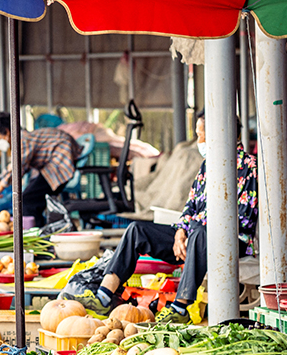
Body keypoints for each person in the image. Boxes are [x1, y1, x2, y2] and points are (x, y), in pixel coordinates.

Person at [63, 111, 259, 323]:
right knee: (137, 230)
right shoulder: (207, 166)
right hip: (194, 237)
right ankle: (104, 296)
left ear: (224, 134)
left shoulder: (249, 166)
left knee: (201, 233)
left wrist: (191, 230)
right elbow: (190, 206)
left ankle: (180, 308)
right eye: (198, 135)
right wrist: (181, 232)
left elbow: (240, 219)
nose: (199, 141)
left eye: (203, 135)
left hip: (229, 242)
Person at [0, 111, 79, 227]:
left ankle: (37, 236)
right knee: (29, 198)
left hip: (59, 162)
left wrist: (0, 186)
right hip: (53, 164)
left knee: (27, 201)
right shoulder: (23, 139)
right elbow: (13, 166)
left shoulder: (23, 139)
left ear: (7, 131)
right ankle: (40, 231)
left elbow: (18, 166)